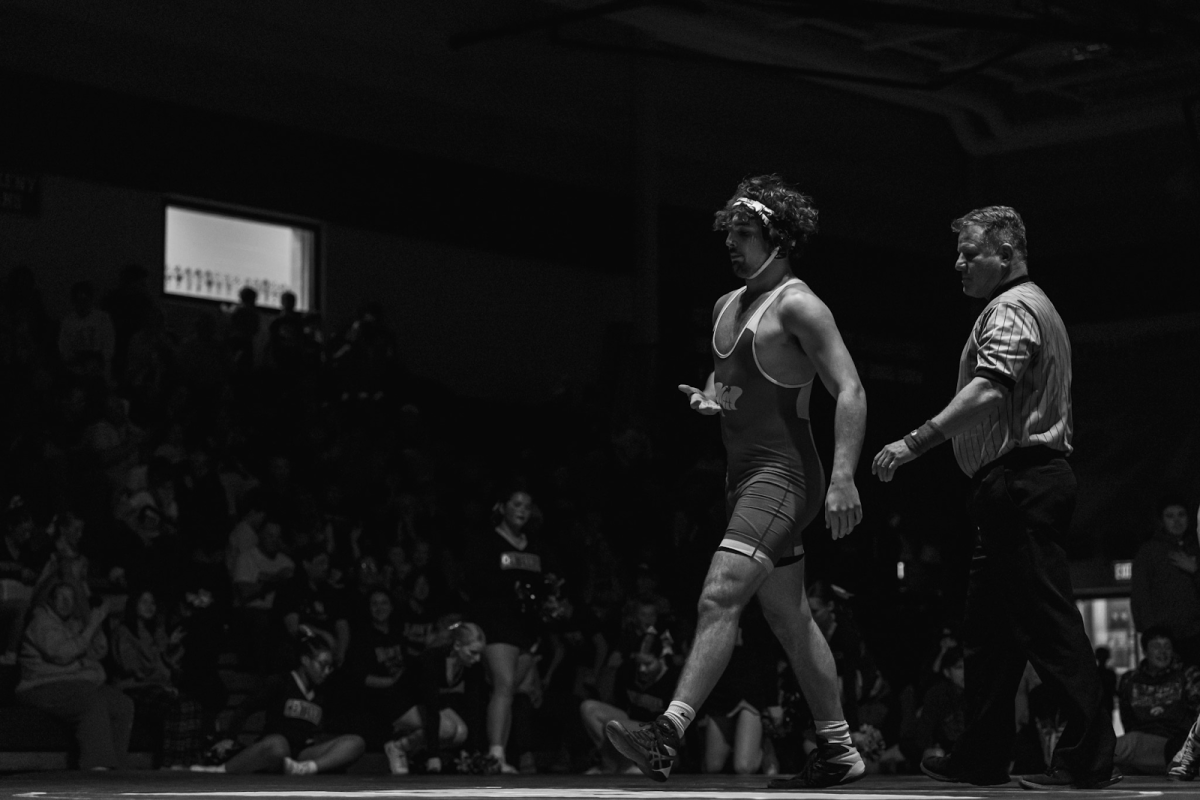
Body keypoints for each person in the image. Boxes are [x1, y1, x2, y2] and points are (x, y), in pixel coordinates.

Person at [605, 175, 868, 788]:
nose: (733, 244)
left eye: (746, 235)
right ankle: (839, 751)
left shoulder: (801, 305)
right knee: (791, 620)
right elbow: (735, 382)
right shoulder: (729, 305)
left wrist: (845, 476)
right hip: (743, 478)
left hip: (785, 477)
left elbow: (850, 389)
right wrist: (710, 400)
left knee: (720, 593)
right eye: (730, 233)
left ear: (778, 241)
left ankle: (666, 732)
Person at [871, 205, 1118, 790]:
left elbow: (988, 390)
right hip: (1014, 486)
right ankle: (980, 757)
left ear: (1006, 254)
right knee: (988, 634)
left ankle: (1086, 758)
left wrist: (913, 443)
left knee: (1047, 625)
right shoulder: (1038, 307)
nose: (958, 263)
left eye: (970, 253)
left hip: (1022, 482)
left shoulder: (1009, 309)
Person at [193, 629, 365, 775]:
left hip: (301, 754)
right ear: (305, 660)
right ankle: (222, 769)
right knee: (278, 745)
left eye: (330, 667)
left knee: (356, 742)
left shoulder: (321, 692)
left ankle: (306, 768)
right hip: (273, 749)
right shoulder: (281, 682)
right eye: (323, 665)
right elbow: (245, 708)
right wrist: (230, 738)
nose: (327, 671)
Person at [466, 489, 549, 774]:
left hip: (525, 629)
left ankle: (503, 752)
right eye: (516, 504)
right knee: (502, 687)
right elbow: (476, 583)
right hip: (497, 624)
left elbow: (541, 587)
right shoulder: (487, 541)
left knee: (515, 692)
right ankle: (495, 756)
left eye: (527, 505)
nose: (522, 510)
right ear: (502, 507)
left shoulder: (534, 545)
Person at [15, 581, 134, 769]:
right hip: (41, 686)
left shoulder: (72, 623)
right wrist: (91, 626)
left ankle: (117, 767)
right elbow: (62, 655)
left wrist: (95, 624)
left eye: (70, 599)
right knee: (91, 699)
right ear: (51, 600)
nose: (66, 603)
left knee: (122, 705)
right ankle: (97, 767)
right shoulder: (41, 621)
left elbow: (98, 651)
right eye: (61, 598)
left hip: (74, 683)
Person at [110, 587, 206, 768]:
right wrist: (162, 652)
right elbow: (136, 669)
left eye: (152, 602)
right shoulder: (123, 632)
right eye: (144, 602)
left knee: (193, 706)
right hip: (133, 689)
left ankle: (189, 766)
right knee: (179, 706)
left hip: (160, 687)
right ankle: (170, 766)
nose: (150, 606)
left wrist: (171, 648)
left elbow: (170, 668)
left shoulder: (157, 632)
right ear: (134, 605)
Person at [382, 621, 487, 775]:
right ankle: (397, 747)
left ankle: (415, 752)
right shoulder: (432, 658)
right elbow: (431, 706)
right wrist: (434, 755)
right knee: (447, 729)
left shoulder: (469, 664)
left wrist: (473, 752)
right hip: (400, 704)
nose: (477, 659)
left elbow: (474, 705)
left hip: (422, 704)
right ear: (457, 645)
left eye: (479, 653)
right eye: (473, 652)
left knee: (461, 733)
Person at [581, 626, 680, 775]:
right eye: (639, 663)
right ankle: (618, 765)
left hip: (662, 743)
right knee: (589, 708)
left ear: (661, 658)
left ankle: (623, 767)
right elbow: (620, 707)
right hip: (631, 732)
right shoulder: (628, 671)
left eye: (648, 664)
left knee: (614, 726)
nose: (642, 669)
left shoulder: (674, 679)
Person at [1114, 627, 1200, 774]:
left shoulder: (1187, 675)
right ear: (1145, 651)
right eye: (1156, 647)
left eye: (1167, 647)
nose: (1163, 652)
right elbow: (1127, 718)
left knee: (1121, 747)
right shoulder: (1130, 680)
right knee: (1118, 754)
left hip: (1176, 744)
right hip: (1142, 744)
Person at [1132, 499, 1200, 668]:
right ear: (1162, 520)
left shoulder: (1196, 548)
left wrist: (1196, 570)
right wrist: (1151, 633)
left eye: (1181, 515)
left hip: (1196, 633)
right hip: (1164, 636)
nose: (1176, 521)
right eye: (1170, 516)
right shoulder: (1149, 552)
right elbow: (1141, 594)